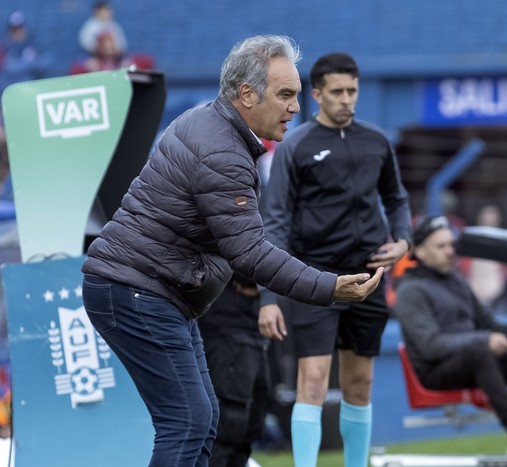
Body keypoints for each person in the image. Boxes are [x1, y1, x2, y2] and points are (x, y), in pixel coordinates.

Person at [81, 35, 383, 467]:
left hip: (145, 290)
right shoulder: (223, 151)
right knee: (187, 421)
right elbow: (251, 254)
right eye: (285, 95)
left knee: (204, 418)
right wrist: (329, 287)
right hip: (136, 290)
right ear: (246, 94)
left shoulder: (213, 125)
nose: (295, 108)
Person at [258, 52, 412, 467]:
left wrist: (404, 242)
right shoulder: (295, 146)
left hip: (370, 280)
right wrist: (269, 297)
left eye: (353, 91)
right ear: (318, 93)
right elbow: (275, 224)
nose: (347, 99)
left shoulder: (377, 141)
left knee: (359, 383)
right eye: (338, 92)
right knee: (311, 381)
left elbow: (397, 200)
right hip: (315, 281)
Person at [392, 215, 507, 454]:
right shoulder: (410, 291)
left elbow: (490, 324)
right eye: (441, 246)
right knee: (478, 353)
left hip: (478, 363)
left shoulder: (457, 281)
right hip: (437, 371)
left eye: (451, 245)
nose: (450, 252)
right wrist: (484, 339)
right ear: (420, 252)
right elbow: (430, 346)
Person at [197, 273, 269, 467]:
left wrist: (265, 290)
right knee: (229, 421)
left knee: (252, 422)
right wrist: (265, 285)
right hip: (226, 325)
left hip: (255, 330)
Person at [0, 10, 51, 92]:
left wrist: (34, 61)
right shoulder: (4, 46)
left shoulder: (31, 44)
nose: (18, 33)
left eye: (20, 29)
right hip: (9, 92)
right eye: (15, 30)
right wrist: (28, 62)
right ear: (9, 31)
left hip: (29, 91)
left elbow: (47, 63)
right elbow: (8, 68)